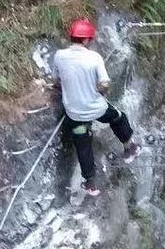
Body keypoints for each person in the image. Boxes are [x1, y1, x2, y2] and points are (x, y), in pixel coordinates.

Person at [53, 19, 141, 196]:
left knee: (82, 141)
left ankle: (90, 183)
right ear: (86, 40)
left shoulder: (59, 56)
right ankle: (130, 148)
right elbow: (104, 84)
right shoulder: (94, 58)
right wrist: (99, 91)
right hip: (95, 107)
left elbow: (58, 80)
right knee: (118, 116)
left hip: (73, 112)